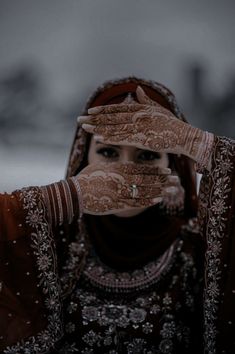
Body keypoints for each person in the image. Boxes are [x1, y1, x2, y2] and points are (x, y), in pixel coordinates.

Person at [0, 76, 234, 354]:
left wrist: (200, 145)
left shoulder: (202, 251)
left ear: (172, 165)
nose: (124, 173)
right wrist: (62, 199)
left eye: (147, 156)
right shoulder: (48, 241)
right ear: (83, 158)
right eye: (108, 152)